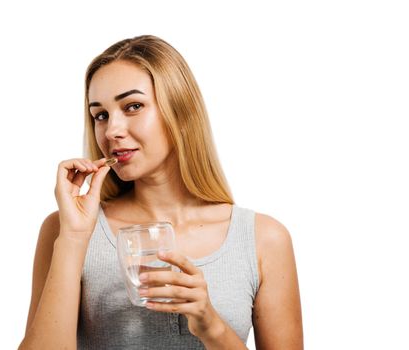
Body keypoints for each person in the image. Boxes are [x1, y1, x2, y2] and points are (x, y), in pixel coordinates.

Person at [18, 35, 303, 349]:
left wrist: (212, 327)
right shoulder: (64, 230)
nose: (112, 130)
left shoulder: (263, 239)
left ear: (180, 112)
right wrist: (73, 237)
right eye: (101, 115)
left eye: (133, 106)